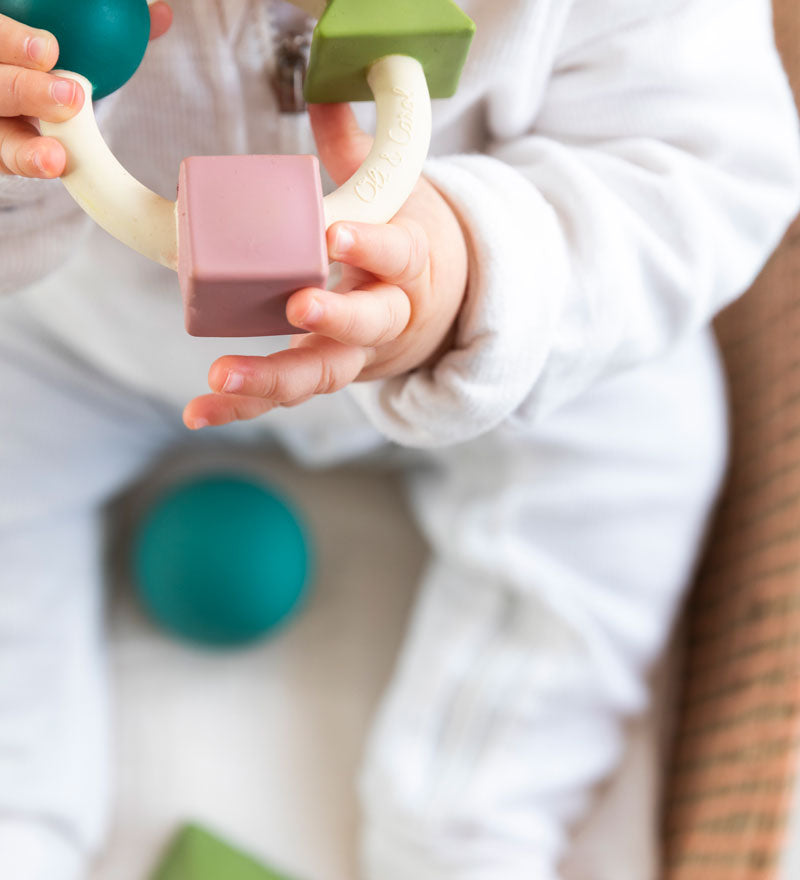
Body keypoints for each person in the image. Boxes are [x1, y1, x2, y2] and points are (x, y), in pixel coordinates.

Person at [0, 1, 798, 878]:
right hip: (88, 334)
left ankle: (471, 819)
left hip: (477, 351)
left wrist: (476, 269)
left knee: (646, 448)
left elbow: (702, 164)